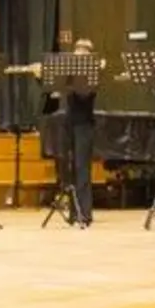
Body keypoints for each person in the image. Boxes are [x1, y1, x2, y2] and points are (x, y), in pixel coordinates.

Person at [58, 38, 99, 227]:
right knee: (69, 167)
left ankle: (85, 213)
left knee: (82, 169)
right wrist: (39, 76)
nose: (80, 55)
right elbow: (52, 89)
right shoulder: (69, 72)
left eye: (84, 53)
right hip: (69, 123)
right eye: (77, 51)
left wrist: (71, 80)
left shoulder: (92, 75)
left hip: (84, 125)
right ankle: (73, 212)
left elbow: (84, 96)